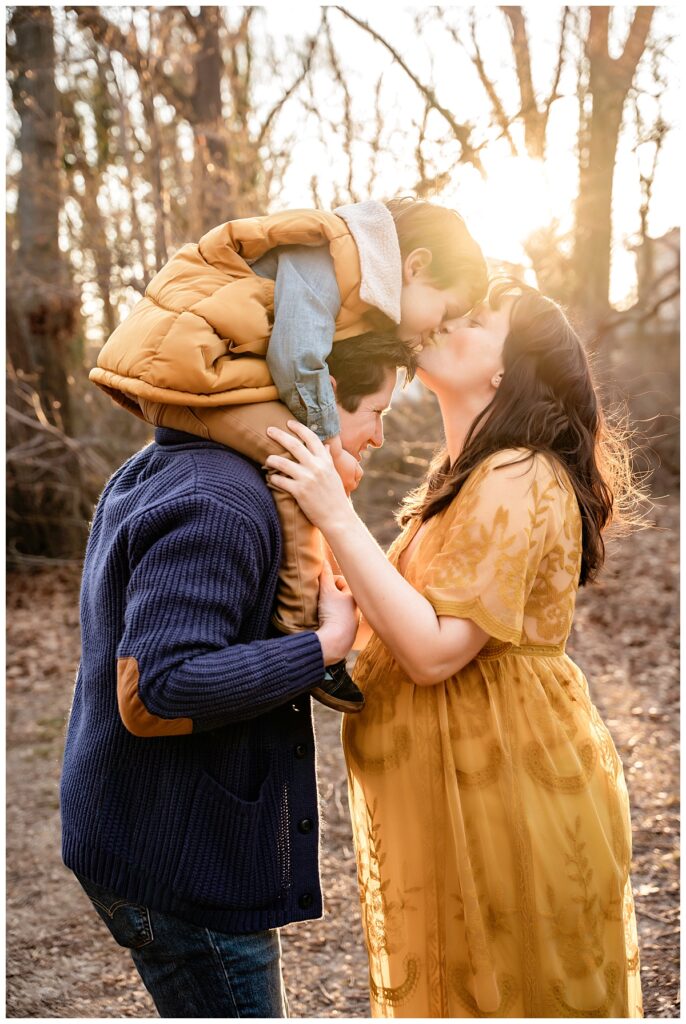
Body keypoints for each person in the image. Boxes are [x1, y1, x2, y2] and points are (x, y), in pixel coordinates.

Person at [265, 278, 644, 1018]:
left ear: (507, 368)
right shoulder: (465, 477)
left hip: (504, 782)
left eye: (477, 320)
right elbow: (410, 617)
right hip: (457, 781)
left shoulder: (520, 472)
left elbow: (436, 652)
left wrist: (335, 514)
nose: (448, 321)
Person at [59, 333, 412, 1019]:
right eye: (378, 413)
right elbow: (161, 686)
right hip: (181, 864)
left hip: (154, 830)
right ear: (327, 396)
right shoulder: (222, 499)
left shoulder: (173, 464)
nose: (375, 437)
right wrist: (326, 645)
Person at [89, 197, 488, 711]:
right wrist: (325, 446)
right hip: (188, 362)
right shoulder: (327, 253)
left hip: (196, 360)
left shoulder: (347, 271)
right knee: (303, 480)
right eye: (445, 312)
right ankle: (310, 637)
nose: (437, 329)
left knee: (311, 478)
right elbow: (297, 356)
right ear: (416, 266)